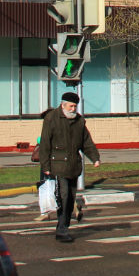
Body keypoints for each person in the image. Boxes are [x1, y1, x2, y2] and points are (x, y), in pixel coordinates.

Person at [38, 90, 101, 242]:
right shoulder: (52, 118)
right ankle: (62, 230)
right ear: (63, 105)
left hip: (73, 166)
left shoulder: (79, 121)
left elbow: (86, 141)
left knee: (70, 198)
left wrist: (95, 158)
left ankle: (63, 226)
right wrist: (45, 166)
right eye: (70, 106)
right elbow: (45, 143)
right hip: (57, 165)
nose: (73, 109)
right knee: (63, 197)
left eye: (75, 107)